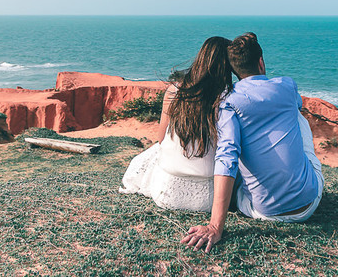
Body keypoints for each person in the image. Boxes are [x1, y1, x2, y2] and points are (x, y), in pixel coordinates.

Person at [181, 32, 323, 252]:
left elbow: (226, 157)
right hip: (309, 202)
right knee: (299, 119)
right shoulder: (287, 85)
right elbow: (297, 105)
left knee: (233, 149)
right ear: (260, 61)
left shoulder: (228, 103)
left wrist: (215, 227)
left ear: (234, 70)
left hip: (263, 211)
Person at [120, 36, 234, 211]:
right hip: (211, 199)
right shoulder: (228, 96)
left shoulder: (175, 90)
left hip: (166, 195)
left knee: (151, 155)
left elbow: (160, 139)